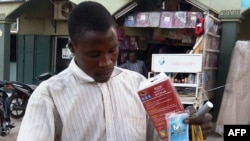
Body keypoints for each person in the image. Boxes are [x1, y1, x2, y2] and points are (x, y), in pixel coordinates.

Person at [17, 1, 212, 141]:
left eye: (112, 50)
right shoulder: (49, 95)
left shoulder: (140, 86)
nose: (106, 62)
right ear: (72, 47)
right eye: (94, 54)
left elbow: (165, 136)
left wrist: (190, 131)